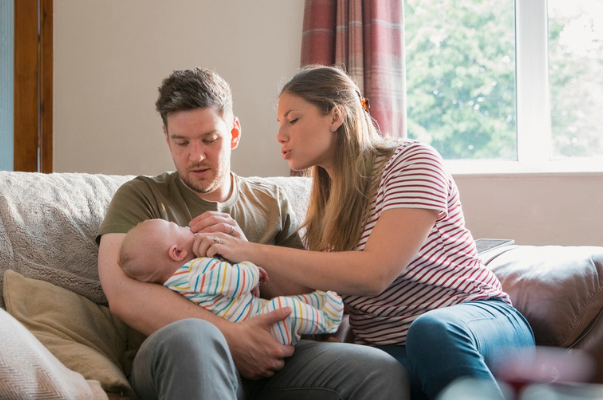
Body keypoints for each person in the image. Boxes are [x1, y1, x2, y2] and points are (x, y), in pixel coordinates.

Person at [194, 65, 536, 400]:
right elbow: (322, 300)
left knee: (431, 333)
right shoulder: (323, 213)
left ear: (335, 116)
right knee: (365, 371)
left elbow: (375, 273)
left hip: (477, 323)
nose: (280, 135)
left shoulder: (411, 161)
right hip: (395, 351)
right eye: (279, 123)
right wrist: (239, 262)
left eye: (293, 119)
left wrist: (252, 251)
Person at [97, 67, 409, 399]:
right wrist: (231, 337)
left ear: (233, 133)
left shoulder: (270, 201)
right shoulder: (141, 196)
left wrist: (246, 249)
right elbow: (122, 294)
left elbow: (304, 291)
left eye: (209, 139)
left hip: (276, 355)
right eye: (181, 142)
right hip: (178, 353)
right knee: (192, 337)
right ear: (166, 138)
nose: (196, 155)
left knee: (380, 369)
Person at [118, 218, 344, 345]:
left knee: (292, 302)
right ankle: (327, 319)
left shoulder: (174, 285)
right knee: (283, 308)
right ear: (176, 252)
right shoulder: (196, 270)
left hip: (253, 313)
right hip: (262, 330)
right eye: (178, 228)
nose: (186, 227)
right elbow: (234, 281)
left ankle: (319, 301)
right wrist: (250, 267)